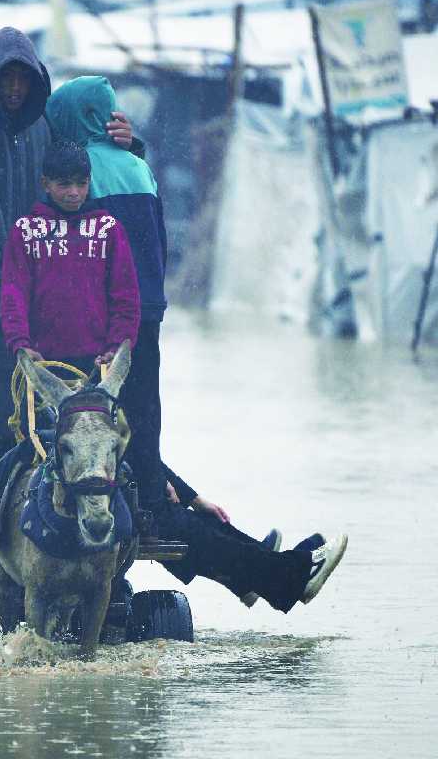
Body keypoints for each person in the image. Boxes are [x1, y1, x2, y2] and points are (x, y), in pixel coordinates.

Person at [45, 76, 347, 612]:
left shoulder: (66, 181)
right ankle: (255, 568)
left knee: (140, 481)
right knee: (140, 456)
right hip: (144, 328)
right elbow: (156, 250)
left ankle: (266, 573)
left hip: (95, 340)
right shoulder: (136, 167)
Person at [0, 28, 136, 532]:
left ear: (37, 81)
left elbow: (81, 169)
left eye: (24, 79)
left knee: (37, 424)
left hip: (36, 308)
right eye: (8, 79)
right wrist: (1, 266)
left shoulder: (44, 130)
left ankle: (36, 530)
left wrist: (130, 143)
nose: (15, 89)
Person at [0, 140, 140, 375]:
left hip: (99, 362)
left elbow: (126, 296)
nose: (74, 192)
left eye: (81, 184)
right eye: (64, 184)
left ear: (89, 182)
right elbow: (13, 294)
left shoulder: (108, 229)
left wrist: (117, 346)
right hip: (41, 360)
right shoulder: (25, 230)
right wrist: (20, 344)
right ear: (45, 183)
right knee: (36, 413)